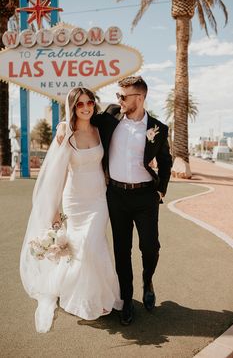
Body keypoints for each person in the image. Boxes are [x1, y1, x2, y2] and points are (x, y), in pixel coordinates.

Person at [57, 76, 172, 326]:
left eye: (123, 96)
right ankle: (127, 300)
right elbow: (82, 117)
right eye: (117, 95)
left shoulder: (159, 128)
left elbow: (165, 160)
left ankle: (147, 280)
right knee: (122, 250)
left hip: (145, 197)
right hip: (115, 196)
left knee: (150, 247)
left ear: (139, 98)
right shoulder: (110, 116)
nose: (117, 100)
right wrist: (63, 124)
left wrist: (161, 189)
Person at [20, 87, 122, 333]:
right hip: (75, 200)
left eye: (89, 103)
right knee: (80, 247)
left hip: (99, 199)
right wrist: (55, 208)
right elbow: (59, 174)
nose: (86, 107)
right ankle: (77, 296)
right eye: (80, 104)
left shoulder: (100, 129)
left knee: (94, 245)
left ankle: (99, 297)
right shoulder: (66, 135)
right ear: (73, 107)